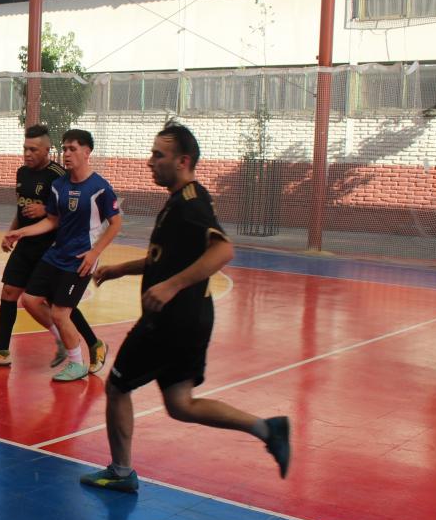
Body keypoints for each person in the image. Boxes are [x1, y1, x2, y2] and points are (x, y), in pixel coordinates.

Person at [81, 123, 289, 493]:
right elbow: (165, 259)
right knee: (181, 404)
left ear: (183, 161)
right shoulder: (179, 201)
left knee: (117, 387)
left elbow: (223, 250)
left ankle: (121, 472)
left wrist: (171, 286)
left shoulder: (191, 203)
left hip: (170, 322)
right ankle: (267, 429)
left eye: (158, 155)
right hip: (191, 319)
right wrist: (120, 269)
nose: (150, 162)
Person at [0, 125, 107, 372]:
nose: (27, 154)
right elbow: (21, 209)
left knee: (58, 304)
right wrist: (12, 233)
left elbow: (67, 212)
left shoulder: (59, 175)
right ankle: (2, 351)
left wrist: (45, 210)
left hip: (50, 247)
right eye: (25, 148)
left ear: (47, 150)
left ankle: (92, 343)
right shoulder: (22, 173)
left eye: (33, 149)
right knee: (9, 293)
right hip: (26, 243)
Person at [4, 129, 123, 382]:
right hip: (56, 254)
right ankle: (68, 339)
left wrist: (94, 253)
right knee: (30, 300)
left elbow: (115, 223)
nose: (67, 154)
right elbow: (52, 221)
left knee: (60, 313)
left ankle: (76, 363)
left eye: (73, 149)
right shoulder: (59, 186)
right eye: (65, 149)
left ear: (87, 152)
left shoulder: (99, 188)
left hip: (80, 259)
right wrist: (20, 232)